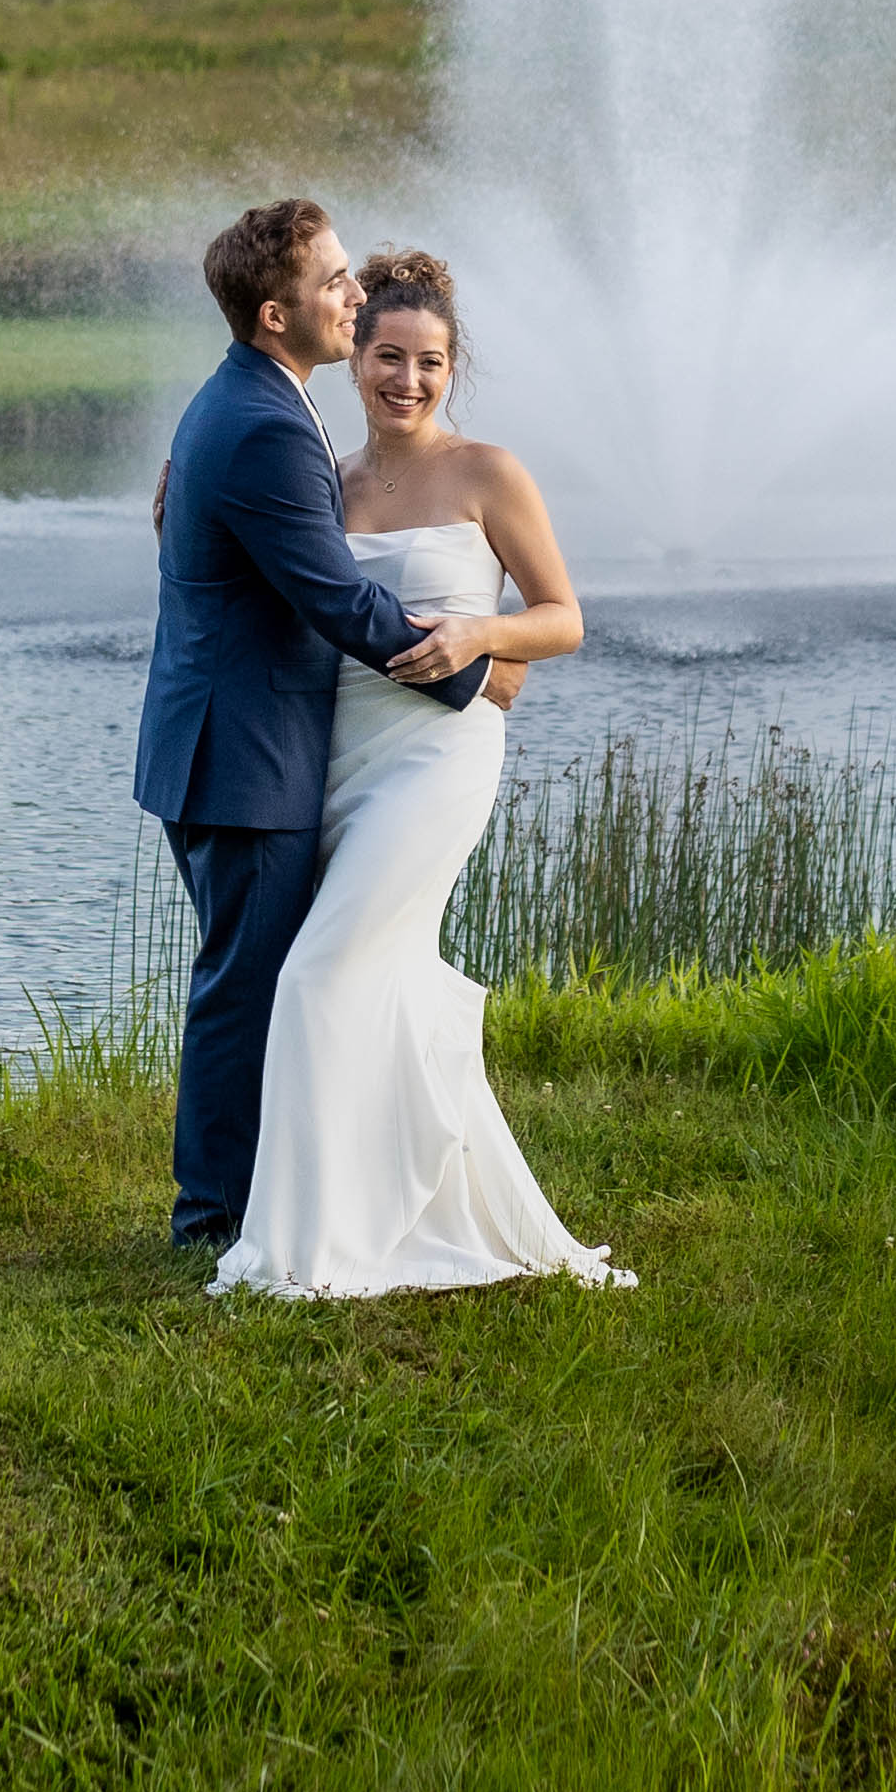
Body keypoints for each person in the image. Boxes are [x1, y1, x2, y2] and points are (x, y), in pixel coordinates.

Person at [215, 246, 628, 1300]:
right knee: (374, 983)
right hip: (342, 756)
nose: (406, 379)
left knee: (315, 977)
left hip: (439, 760)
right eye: (387, 355)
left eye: (430, 362)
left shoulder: (489, 473)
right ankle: (417, 1203)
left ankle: (301, 1250)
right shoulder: (328, 480)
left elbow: (564, 619)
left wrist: (479, 641)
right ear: (354, 354)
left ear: (454, 369)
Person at [134, 199, 503, 1254]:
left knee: (259, 983)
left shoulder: (256, 399)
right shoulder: (260, 420)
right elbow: (335, 598)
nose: (353, 293)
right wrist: (471, 672)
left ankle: (263, 1199)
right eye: (333, 282)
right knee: (248, 992)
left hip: (231, 743)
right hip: (245, 757)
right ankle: (213, 1221)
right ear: (272, 313)